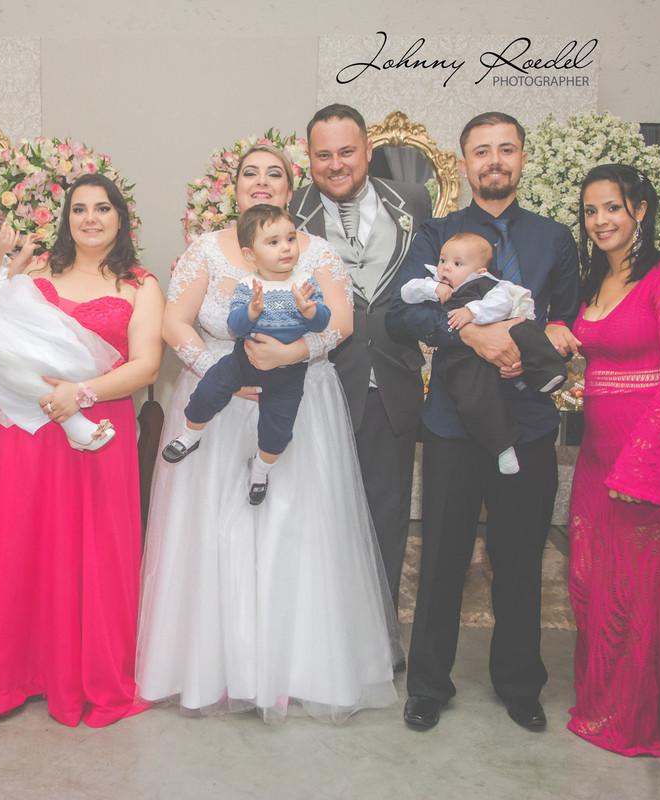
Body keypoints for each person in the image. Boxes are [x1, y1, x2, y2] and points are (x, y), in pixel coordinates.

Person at [139, 143, 402, 723]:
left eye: (274, 174)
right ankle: (217, 668)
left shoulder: (317, 251)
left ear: (291, 189)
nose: (261, 181)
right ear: (233, 188)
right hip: (220, 403)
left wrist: (293, 353)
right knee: (217, 531)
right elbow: (174, 323)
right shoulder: (205, 251)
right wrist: (221, 373)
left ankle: (297, 669)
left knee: (294, 524)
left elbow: (341, 323)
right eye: (250, 174)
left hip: (302, 401)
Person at [0, 173, 164, 727]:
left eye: (102, 208)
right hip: (24, 427)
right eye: (79, 209)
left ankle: (84, 671)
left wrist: (80, 393)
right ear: (66, 218)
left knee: (93, 552)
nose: (90, 219)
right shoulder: (34, 272)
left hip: (96, 427)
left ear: (121, 217)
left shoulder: (141, 285)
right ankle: (11, 671)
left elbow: (146, 367)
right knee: (21, 543)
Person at [387, 111, 580, 731]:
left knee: (519, 558)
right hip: (453, 424)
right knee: (442, 558)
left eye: (506, 149)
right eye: (482, 151)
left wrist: (552, 336)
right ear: (464, 162)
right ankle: (428, 684)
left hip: (529, 423)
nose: (494, 160)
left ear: (521, 158)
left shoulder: (554, 238)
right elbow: (401, 315)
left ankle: (520, 682)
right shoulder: (436, 234)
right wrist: (472, 334)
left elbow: (568, 318)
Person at [567, 164, 660, 757]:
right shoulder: (595, 279)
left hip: (646, 456)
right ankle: (600, 703)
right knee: (590, 582)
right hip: (596, 453)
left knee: (638, 592)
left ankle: (635, 718)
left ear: (640, 210)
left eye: (612, 208)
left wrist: (640, 462)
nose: (600, 220)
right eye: (590, 211)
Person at [290, 103, 432, 614]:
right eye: (323, 155)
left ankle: (382, 636)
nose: (335, 164)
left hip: (392, 383)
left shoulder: (413, 199)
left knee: (387, 518)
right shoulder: (290, 211)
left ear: (369, 150)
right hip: (318, 384)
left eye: (346, 152)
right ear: (308, 158)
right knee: (316, 518)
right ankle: (323, 631)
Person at [0, 176, 121, 451]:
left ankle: (77, 392)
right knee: (22, 377)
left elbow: (2, 281)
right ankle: (74, 425)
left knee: (50, 346)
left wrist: (21, 257)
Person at [161, 204, 330, 504]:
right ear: (250, 255)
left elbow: (322, 323)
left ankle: (261, 471)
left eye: (291, 238)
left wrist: (310, 311)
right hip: (242, 362)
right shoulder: (247, 286)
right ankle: (190, 436)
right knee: (207, 391)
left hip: (288, 374)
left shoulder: (305, 282)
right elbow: (235, 326)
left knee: (278, 431)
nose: (286, 247)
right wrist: (250, 312)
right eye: (274, 242)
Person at [399, 232, 567, 474]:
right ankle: (503, 446)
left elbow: (502, 305)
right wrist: (432, 288)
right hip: (462, 358)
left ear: (479, 271)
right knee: (475, 400)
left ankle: (547, 373)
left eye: (457, 263)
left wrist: (472, 312)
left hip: (504, 337)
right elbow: (406, 293)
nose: (446, 267)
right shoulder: (435, 282)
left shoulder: (490, 284)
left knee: (526, 328)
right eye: (443, 260)